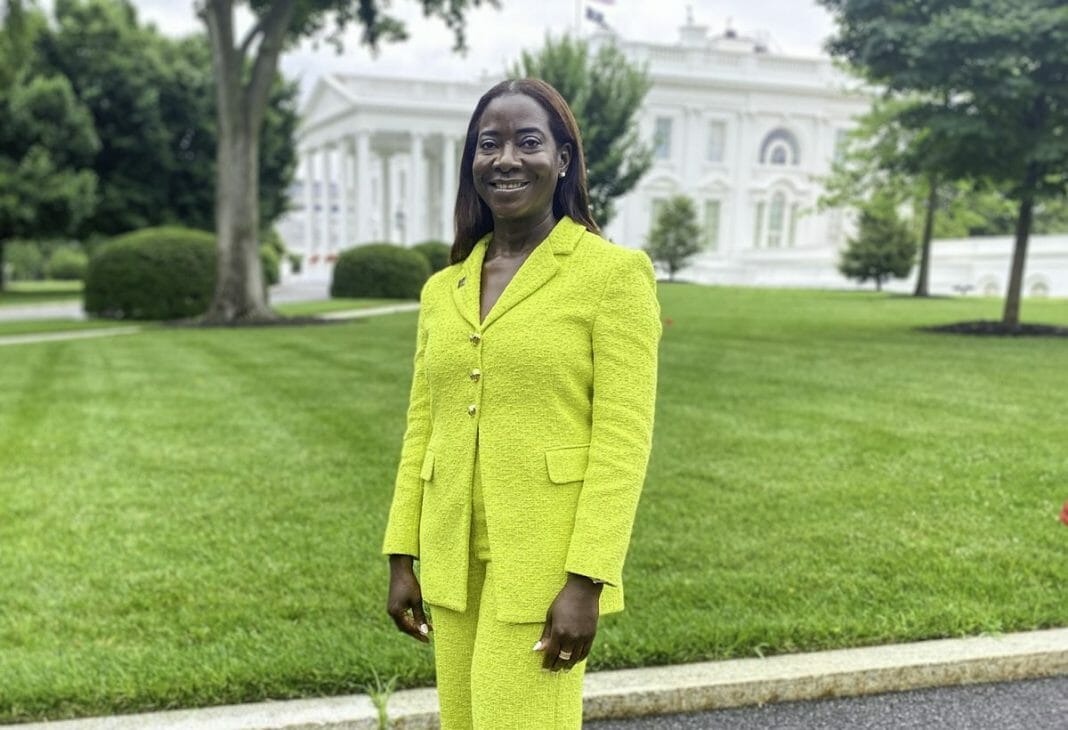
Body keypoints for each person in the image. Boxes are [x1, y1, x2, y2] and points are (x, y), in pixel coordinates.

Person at [382, 78, 661, 729]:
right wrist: (401, 555)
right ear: (471, 163)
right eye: (489, 144)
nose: (506, 158)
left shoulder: (611, 276)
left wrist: (587, 580)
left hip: (544, 569)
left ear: (562, 158)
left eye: (527, 141)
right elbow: (422, 427)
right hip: (451, 560)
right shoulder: (442, 289)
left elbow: (621, 440)